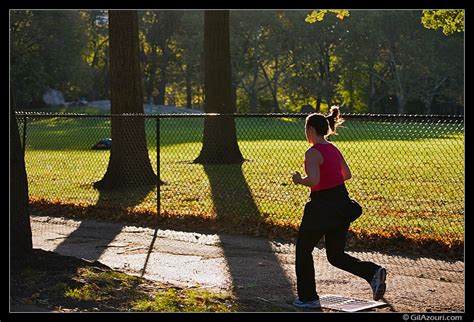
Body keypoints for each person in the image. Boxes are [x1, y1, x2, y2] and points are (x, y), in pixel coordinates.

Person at [291, 106, 387, 310]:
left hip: (321, 206)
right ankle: (372, 272)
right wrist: (329, 179)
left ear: (310, 129)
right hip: (342, 204)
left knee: (303, 250)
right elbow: (347, 174)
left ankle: (307, 298)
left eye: (305, 128)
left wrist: (299, 180)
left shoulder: (312, 152)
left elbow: (314, 180)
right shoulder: (333, 148)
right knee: (335, 256)